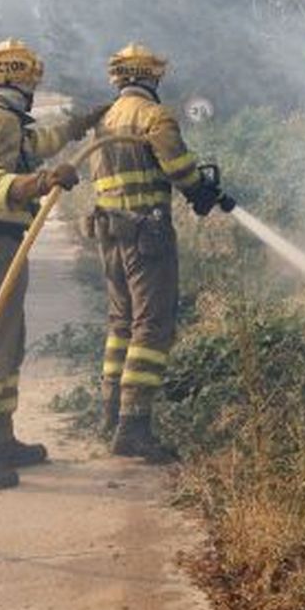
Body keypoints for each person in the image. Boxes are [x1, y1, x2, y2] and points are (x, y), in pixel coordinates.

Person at [0, 38, 107, 490]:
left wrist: (81, 124)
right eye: (33, 80)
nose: (36, 88)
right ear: (20, 78)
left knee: (7, 344)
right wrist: (43, 181)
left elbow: (38, 142)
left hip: (1, 243)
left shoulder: (6, 116)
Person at [88, 43, 226, 460]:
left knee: (121, 323)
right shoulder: (154, 116)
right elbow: (178, 167)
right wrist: (199, 190)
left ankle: (110, 414)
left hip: (109, 232)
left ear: (118, 77)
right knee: (151, 327)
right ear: (153, 76)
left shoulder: (106, 118)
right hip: (147, 235)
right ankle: (133, 427)